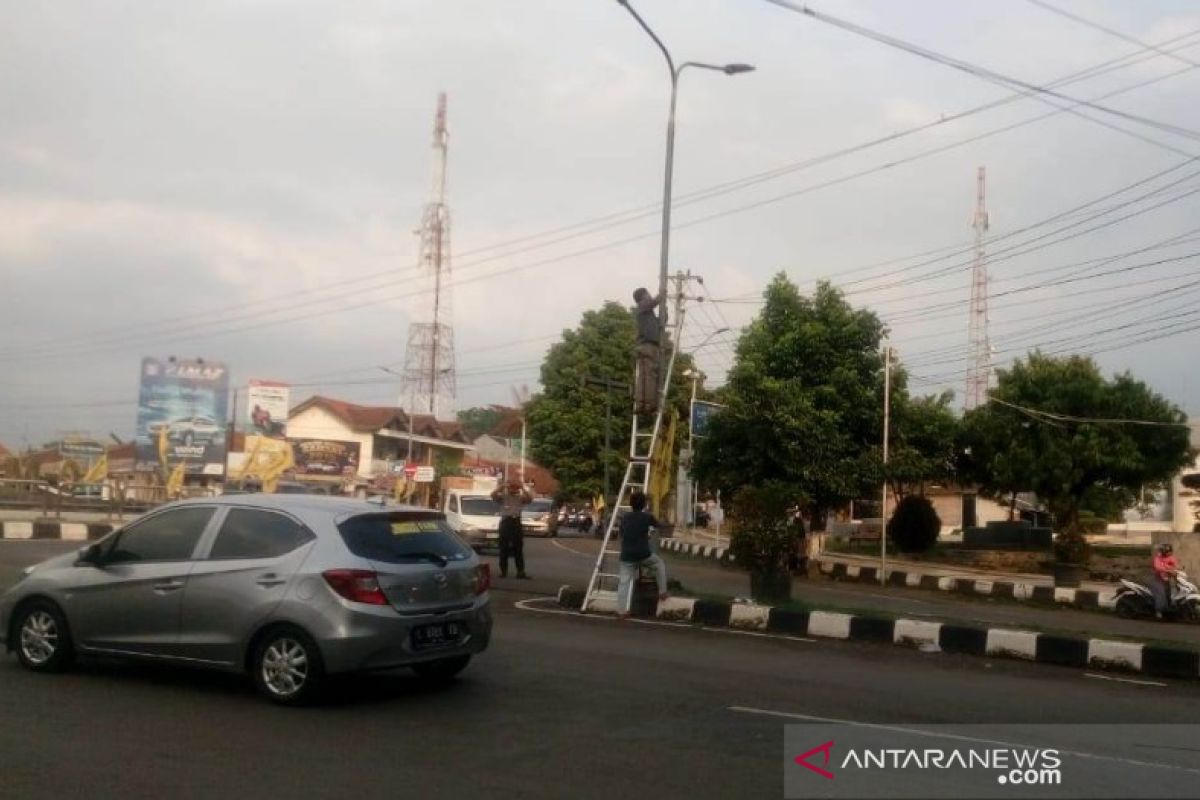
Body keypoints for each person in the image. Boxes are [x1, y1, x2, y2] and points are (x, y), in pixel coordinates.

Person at [616, 490, 669, 619]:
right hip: (643, 554)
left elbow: (621, 534)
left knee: (624, 582)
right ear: (644, 504)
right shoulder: (647, 517)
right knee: (659, 564)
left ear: (631, 504)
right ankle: (662, 592)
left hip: (627, 555)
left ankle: (621, 611)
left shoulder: (625, 517)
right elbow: (659, 525)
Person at [632, 287, 665, 414]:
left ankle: (641, 404)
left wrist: (664, 309)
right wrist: (662, 294)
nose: (650, 296)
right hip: (649, 346)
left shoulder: (646, 313)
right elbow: (654, 302)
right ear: (643, 296)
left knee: (643, 377)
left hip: (643, 347)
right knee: (650, 376)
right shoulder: (642, 306)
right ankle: (649, 405)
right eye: (648, 294)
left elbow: (659, 323)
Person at [491, 479, 532, 579]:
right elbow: (493, 495)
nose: (514, 489)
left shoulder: (520, 498)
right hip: (506, 522)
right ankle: (503, 572)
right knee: (503, 548)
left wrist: (523, 487)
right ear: (509, 488)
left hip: (516, 522)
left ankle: (520, 572)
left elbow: (530, 499)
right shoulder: (503, 497)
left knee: (518, 549)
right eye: (512, 487)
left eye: (516, 488)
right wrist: (502, 486)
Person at [1151, 542, 1180, 619]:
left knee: (1170, 594)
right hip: (1158, 579)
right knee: (1161, 594)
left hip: (1168, 580)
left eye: (1170, 551)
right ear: (1164, 552)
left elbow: (1176, 566)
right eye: (1168, 552)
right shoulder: (1158, 558)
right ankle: (1158, 611)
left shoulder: (1171, 557)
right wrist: (1168, 570)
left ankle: (1168, 610)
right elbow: (1157, 567)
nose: (1170, 553)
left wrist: (1175, 570)